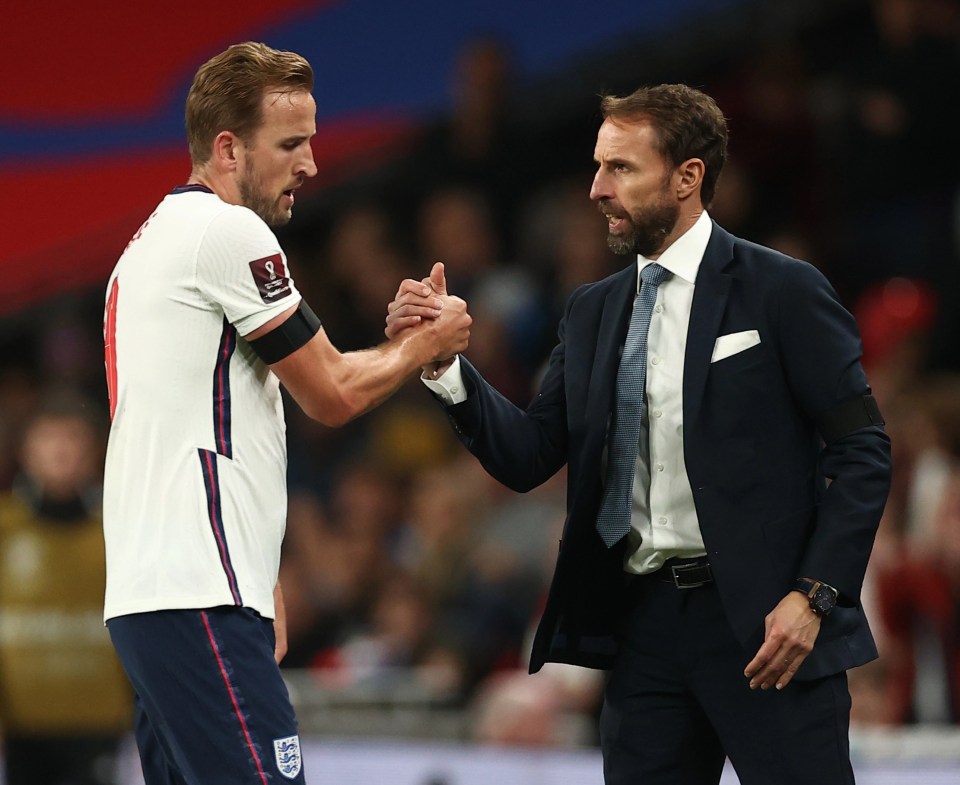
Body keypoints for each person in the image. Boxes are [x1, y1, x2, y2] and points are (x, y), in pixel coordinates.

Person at [386, 84, 892, 784]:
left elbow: (864, 451)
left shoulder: (781, 290)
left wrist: (814, 596)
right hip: (643, 628)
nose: (596, 188)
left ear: (688, 177)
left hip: (767, 625)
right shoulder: (591, 312)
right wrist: (445, 366)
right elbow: (531, 453)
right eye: (598, 166)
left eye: (621, 168)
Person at [101, 41, 470, 785]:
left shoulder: (144, 249)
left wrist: (257, 566)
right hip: (200, 591)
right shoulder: (228, 233)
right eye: (292, 143)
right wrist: (427, 344)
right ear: (229, 147)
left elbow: (204, 418)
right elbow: (330, 390)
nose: (310, 163)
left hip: (158, 597)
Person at [0, 394, 132, 785]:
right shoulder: (5, 528)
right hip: (21, 727)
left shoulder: (119, 528)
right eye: (48, 438)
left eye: (72, 438)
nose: (60, 450)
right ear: (26, 451)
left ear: (93, 452)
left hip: (99, 724)